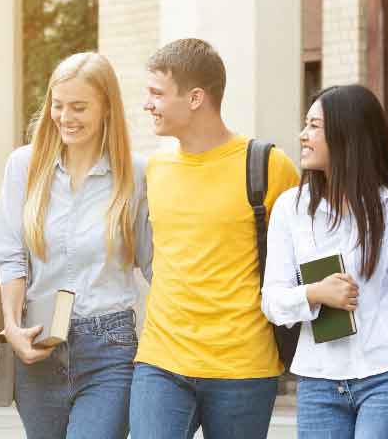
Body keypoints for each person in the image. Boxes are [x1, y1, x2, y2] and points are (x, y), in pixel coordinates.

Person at [128, 38, 300, 438]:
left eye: (156, 93)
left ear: (195, 98)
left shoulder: (268, 166)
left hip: (243, 367)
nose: (146, 104)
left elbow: (303, 253)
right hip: (162, 360)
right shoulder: (155, 169)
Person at [0, 51, 152, 439]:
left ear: (107, 108)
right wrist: (13, 327)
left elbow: (155, 265)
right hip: (39, 342)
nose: (65, 117)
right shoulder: (23, 167)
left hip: (110, 348)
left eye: (79, 107)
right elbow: (10, 255)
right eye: (57, 106)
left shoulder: (137, 175)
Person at [261, 84, 388, 438]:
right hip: (318, 380)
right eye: (306, 124)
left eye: (314, 126)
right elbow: (272, 300)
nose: (303, 135)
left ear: (348, 133)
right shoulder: (292, 207)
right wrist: (315, 293)